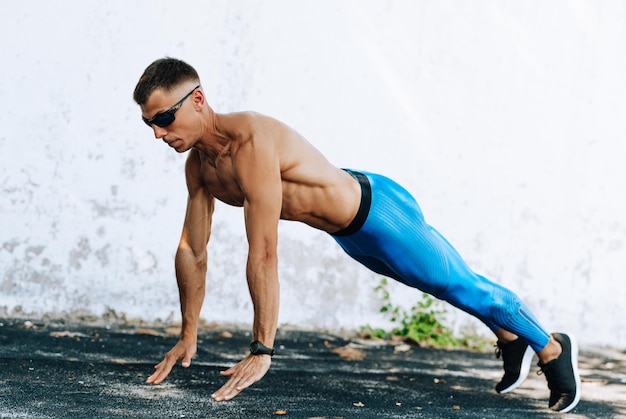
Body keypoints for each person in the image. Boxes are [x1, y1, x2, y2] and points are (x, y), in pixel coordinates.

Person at [133, 58, 581, 413]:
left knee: (458, 283)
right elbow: (192, 249)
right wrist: (188, 333)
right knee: (442, 288)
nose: (158, 133)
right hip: (351, 235)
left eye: (165, 118)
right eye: (150, 123)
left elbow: (264, 252)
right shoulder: (200, 167)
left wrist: (262, 348)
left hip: (381, 213)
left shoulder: (251, 141)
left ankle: (552, 347)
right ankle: (509, 338)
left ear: (197, 99)